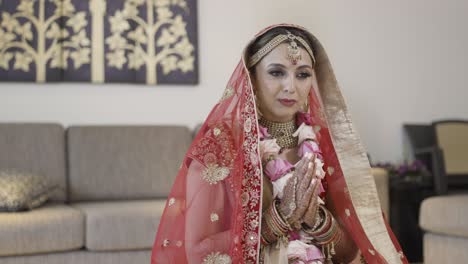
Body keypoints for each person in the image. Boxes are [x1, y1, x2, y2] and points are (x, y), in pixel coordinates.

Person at [151, 24, 408, 264]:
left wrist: (317, 220)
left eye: (303, 74)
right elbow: (198, 252)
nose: (291, 86)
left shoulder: (325, 147)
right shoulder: (220, 148)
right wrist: (278, 219)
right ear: (251, 77)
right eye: (276, 72)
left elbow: (351, 252)